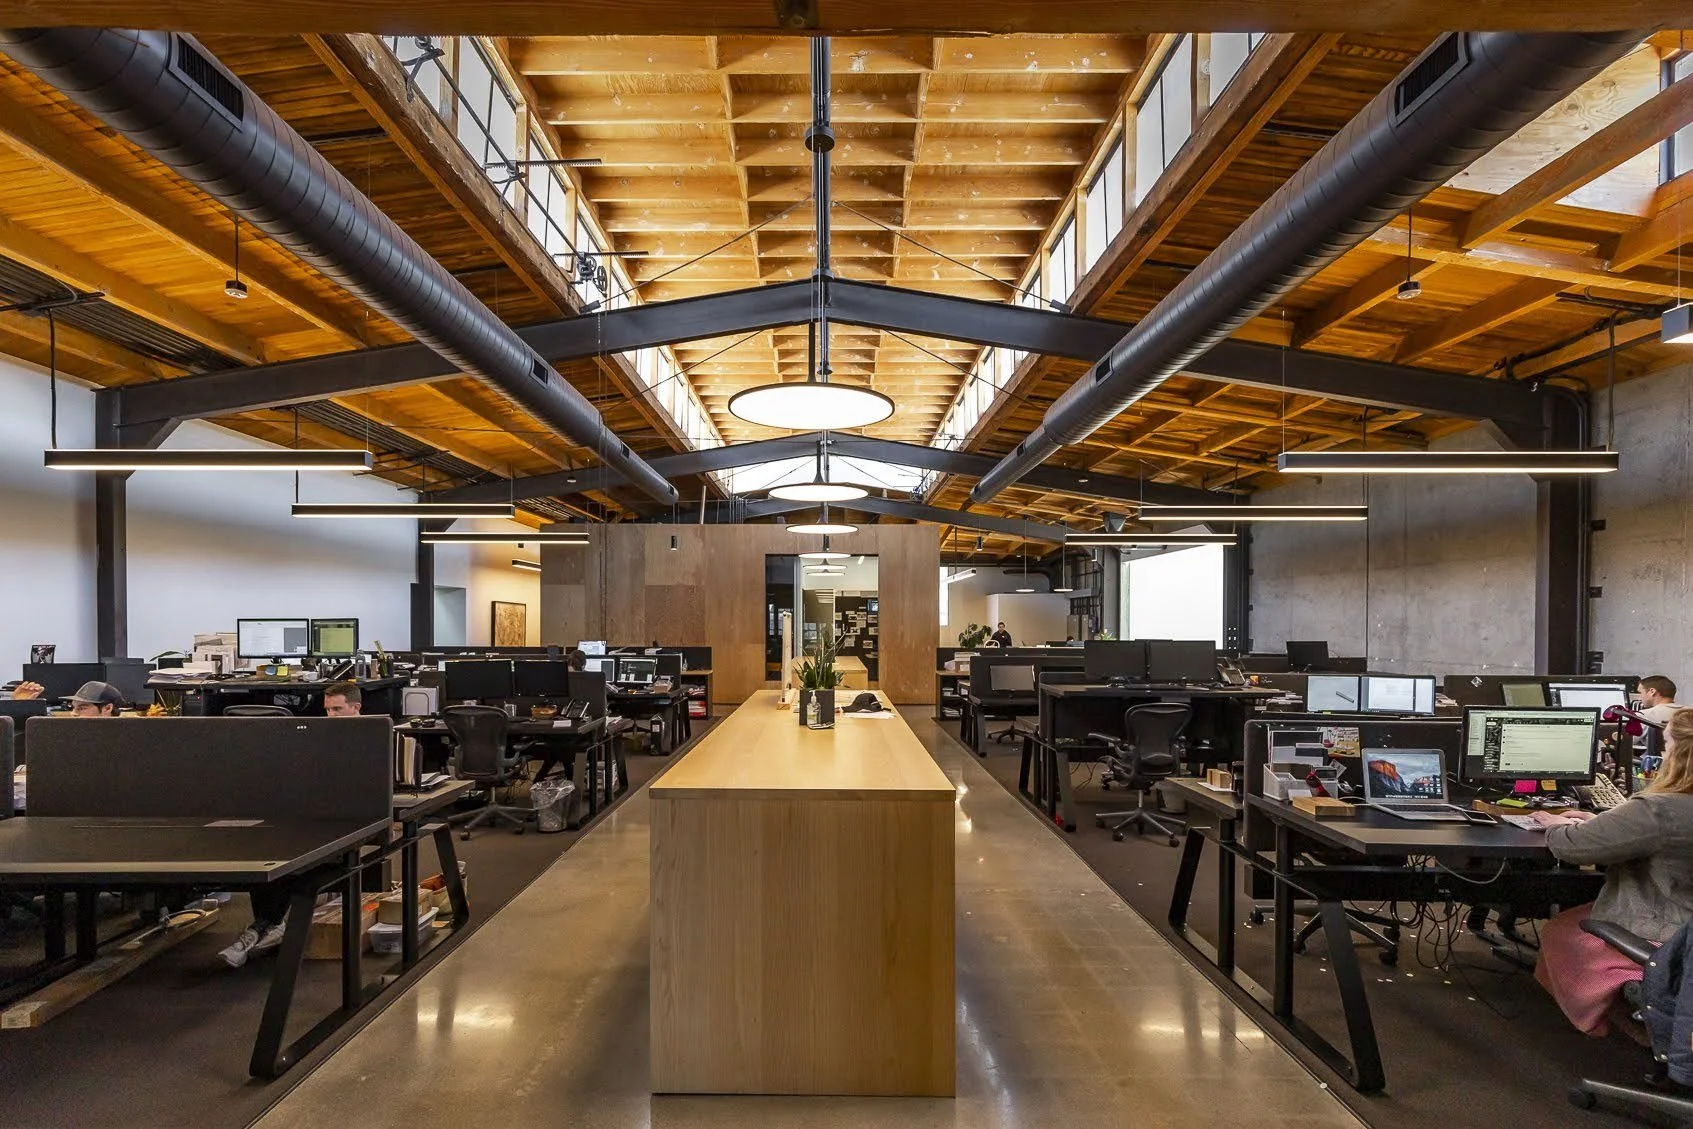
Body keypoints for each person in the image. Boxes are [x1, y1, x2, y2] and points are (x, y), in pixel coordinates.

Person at [1531, 707, 1693, 1035]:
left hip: (1669, 933)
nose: (1662, 754)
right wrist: (1604, 824)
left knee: (1559, 931)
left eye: (1667, 745)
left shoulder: (1660, 809)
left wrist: (1554, 824)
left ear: (1682, 756)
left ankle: (1613, 1023)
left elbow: (1573, 846)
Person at [219, 680, 361, 968]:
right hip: (307, 818)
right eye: (328, 710)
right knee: (265, 852)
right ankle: (267, 925)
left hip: (342, 823)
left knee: (288, 861)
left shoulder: (371, 738)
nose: (331, 715)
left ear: (356, 707)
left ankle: (263, 927)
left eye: (337, 709)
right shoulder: (315, 738)